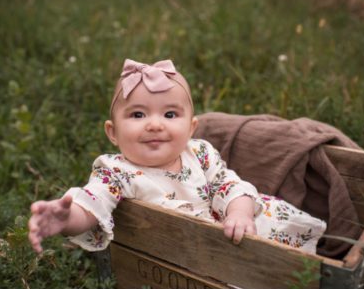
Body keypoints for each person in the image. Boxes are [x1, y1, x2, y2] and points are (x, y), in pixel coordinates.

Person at [27, 59, 325, 255]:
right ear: (113, 132)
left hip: (237, 229)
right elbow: (93, 202)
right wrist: (68, 218)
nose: (155, 124)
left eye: (170, 114)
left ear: (191, 128)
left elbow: (228, 184)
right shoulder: (115, 172)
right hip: (187, 251)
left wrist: (239, 211)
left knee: (282, 255)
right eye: (138, 114)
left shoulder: (199, 153)